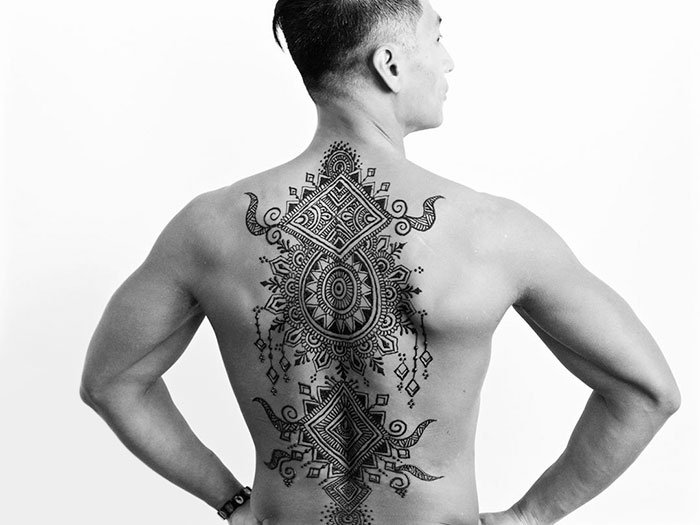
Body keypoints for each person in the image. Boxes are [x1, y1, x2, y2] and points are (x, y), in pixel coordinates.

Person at [80, 1, 681, 524]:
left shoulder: (209, 228)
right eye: (437, 37)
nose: (449, 62)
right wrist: (529, 516)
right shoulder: (492, 232)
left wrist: (231, 500)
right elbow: (645, 391)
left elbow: (111, 382)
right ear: (389, 65)